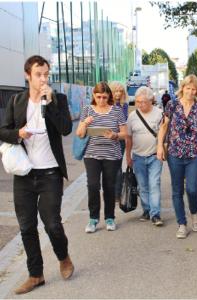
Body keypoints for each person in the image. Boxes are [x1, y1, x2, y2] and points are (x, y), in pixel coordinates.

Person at [0, 55, 74, 294]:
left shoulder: (57, 99)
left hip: (50, 172)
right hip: (25, 173)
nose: (43, 78)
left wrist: (49, 103)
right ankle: (36, 275)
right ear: (27, 75)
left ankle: (63, 257)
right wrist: (19, 133)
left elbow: (65, 129)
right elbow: (3, 130)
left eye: (46, 74)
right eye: (38, 74)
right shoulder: (16, 100)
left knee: (52, 223)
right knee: (27, 227)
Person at [157, 74, 197, 239]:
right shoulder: (172, 105)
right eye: (188, 88)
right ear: (183, 88)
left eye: (194, 89)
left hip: (194, 153)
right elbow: (164, 126)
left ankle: (194, 213)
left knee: (192, 189)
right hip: (175, 153)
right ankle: (182, 223)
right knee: (177, 190)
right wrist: (159, 145)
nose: (190, 91)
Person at [76, 82, 127, 233]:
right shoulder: (87, 110)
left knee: (109, 187)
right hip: (92, 154)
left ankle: (110, 217)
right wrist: (85, 123)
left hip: (112, 155)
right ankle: (93, 218)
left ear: (109, 96)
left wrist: (115, 135)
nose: (101, 100)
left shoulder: (117, 111)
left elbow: (125, 133)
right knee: (92, 185)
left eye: (105, 97)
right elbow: (79, 134)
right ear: (93, 95)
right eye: (98, 97)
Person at [126, 86, 164, 226]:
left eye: (143, 101)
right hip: (138, 156)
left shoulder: (159, 114)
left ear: (151, 100)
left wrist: (161, 149)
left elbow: (163, 134)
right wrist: (128, 157)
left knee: (154, 184)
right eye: (138, 101)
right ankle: (146, 210)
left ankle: (155, 214)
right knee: (142, 186)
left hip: (155, 156)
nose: (140, 104)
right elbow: (128, 138)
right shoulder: (132, 116)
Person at [109, 81, 129, 202]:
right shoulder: (107, 104)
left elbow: (125, 123)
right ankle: (111, 192)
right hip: (107, 139)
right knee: (108, 168)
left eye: (120, 91)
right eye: (115, 91)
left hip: (119, 139)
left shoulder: (124, 105)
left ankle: (117, 194)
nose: (118, 94)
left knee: (117, 167)